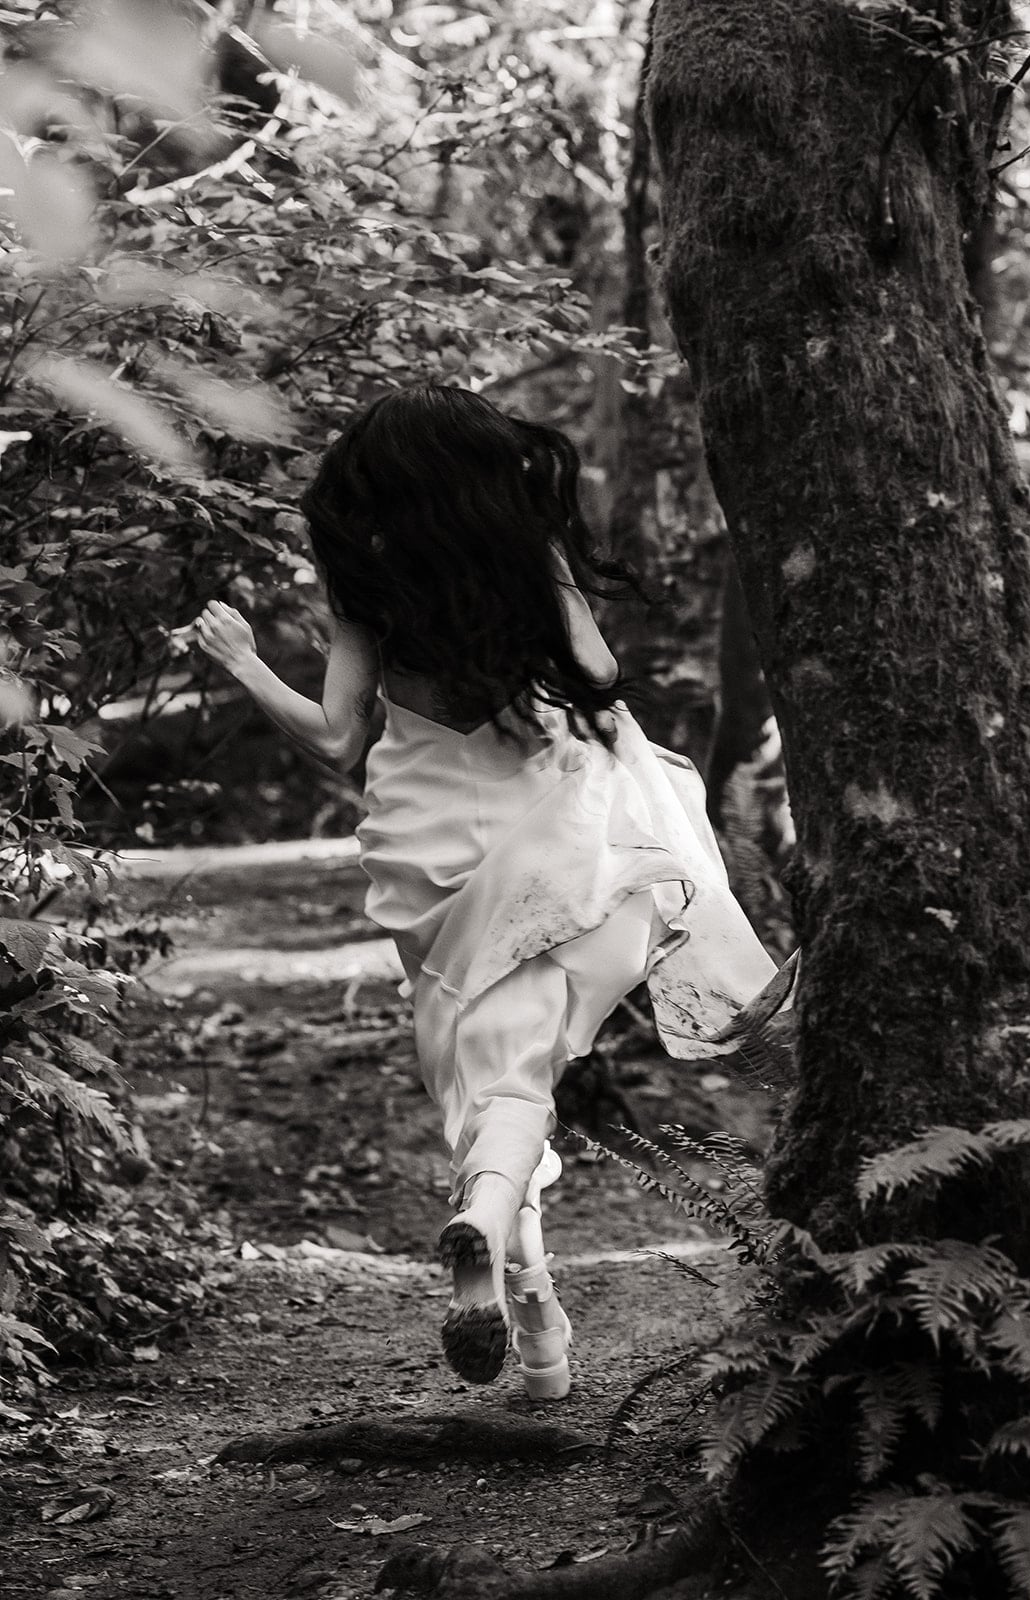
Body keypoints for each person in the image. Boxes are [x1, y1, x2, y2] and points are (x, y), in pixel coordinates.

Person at [193, 384, 779, 1402]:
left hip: (428, 848)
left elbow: (336, 737)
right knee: (518, 1075)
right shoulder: (523, 563)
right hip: (551, 841)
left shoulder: (364, 578)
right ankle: (525, 1307)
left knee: (487, 1082)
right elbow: (597, 676)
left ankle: (536, 1323)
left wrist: (244, 661)